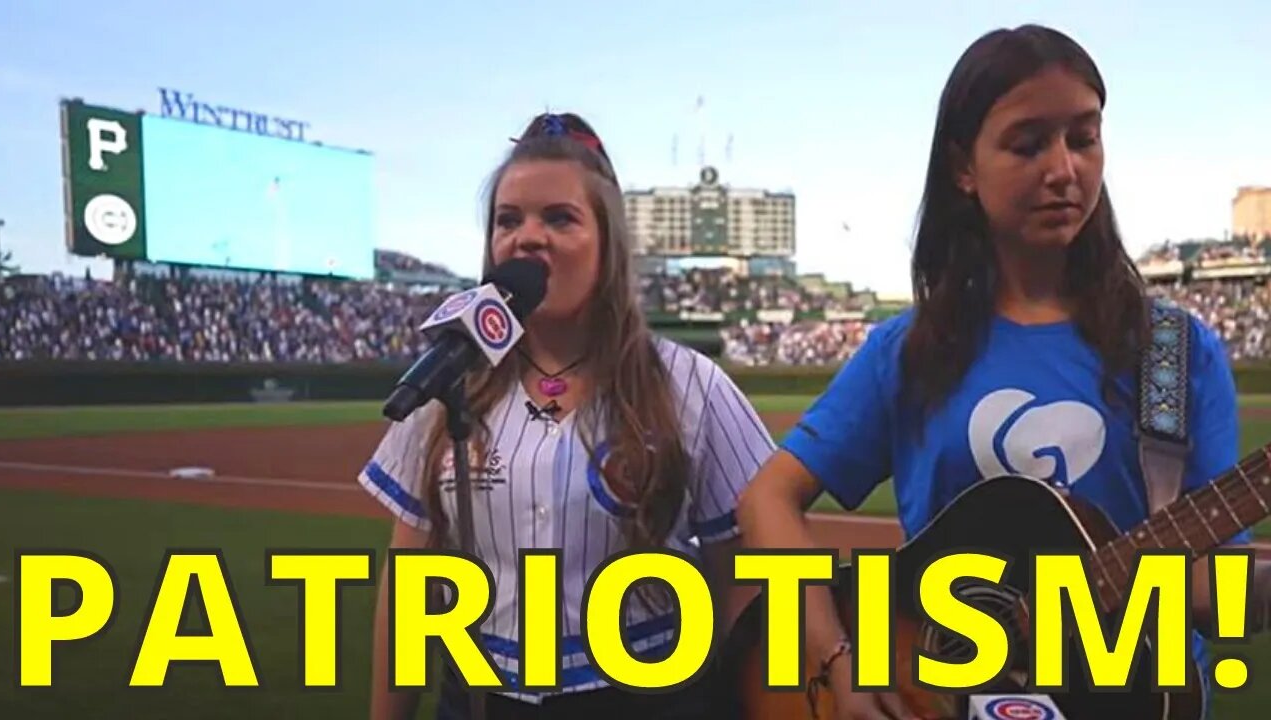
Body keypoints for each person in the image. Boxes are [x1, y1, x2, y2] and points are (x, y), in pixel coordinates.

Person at [735, 24, 1259, 720]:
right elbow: (767, 499)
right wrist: (837, 659)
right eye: (1028, 143)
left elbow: (1213, 588)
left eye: (1083, 137)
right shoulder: (909, 351)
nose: (1064, 169)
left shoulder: (1175, 351)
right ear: (963, 167)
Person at [359, 111, 774, 719]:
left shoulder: (691, 383)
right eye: (508, 220)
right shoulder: (448, 382)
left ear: (607, 245)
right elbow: (407, 591)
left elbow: (747, 584)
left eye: (559, 218)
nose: (527, 237)